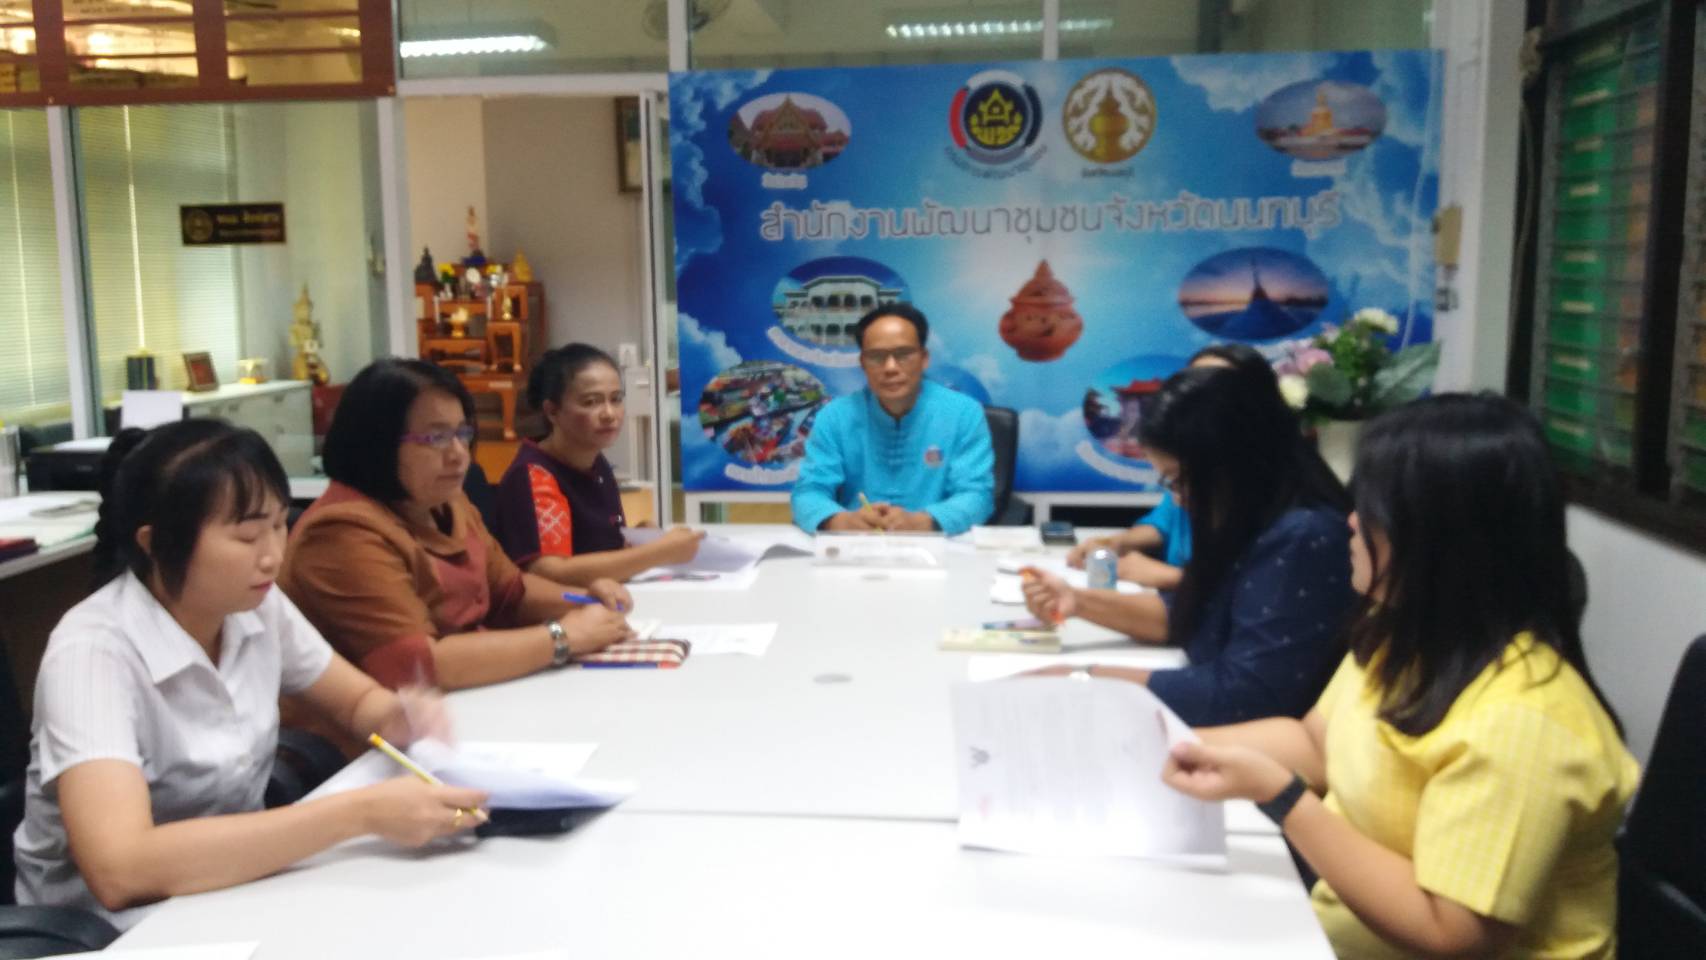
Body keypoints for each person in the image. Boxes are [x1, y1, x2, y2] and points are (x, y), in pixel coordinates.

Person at [1162, 393, 1638, 959]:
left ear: (1438, 536)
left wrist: (1281, 797)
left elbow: (1449, 933)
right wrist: (1158, 742)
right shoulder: (1405, 636)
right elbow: (1314, 744)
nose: (1351, 522)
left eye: (1373, 509)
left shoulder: (1523, 720)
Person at [11, 421, 488, 930]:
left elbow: (355, 704)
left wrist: (402, 715)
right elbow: (121, 869)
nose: (273, 555)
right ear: (156, 543)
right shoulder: (92, 652)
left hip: (226, 891)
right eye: (247, 536)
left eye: (280, 525)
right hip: (109, 931)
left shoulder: (256, 605)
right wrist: (361, 813)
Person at [1023, 366, 1353, 725]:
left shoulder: (1302, 537)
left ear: (1235, 463)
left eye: (1180, 481)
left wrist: (1089, 679)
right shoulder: (1250, 517)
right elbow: (1192, 615)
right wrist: (1077, 601)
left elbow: (1247, 695)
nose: (1179, 500)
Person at [280, 359, 633, 692]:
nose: (459, 454)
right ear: (377, 443)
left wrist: (581, 599)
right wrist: (561, 637)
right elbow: (415, 665)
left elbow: (511, 592)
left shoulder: (445, 500)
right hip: (370, 730)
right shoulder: (340, 531)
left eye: (462, 433)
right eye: (436, 438)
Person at [1068, 343, 1277, 590]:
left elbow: (1252, 593)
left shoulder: (1271, 502)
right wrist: (1118, 543)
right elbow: (1164, 522)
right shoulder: (1188, 476)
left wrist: (1172, 577)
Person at [493, 344, 704, 584]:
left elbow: (597, 547)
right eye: (591, 402)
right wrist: (656, 553)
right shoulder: (534, 475)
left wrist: (636, 539)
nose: (609, 414)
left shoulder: (594, 460)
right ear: (552, 411)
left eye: (616, 399)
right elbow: (547, 571)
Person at [791, 303, 995, 535]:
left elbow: (977, 495)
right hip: (856, 545)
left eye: (903, 354)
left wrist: (923, 522)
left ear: (924, 358)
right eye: (876, 356)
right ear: (862, 363)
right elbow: (809, 492)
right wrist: (841, 521)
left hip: (936, 545)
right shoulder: (834, 417)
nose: (890, 367)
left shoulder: (964, 413)